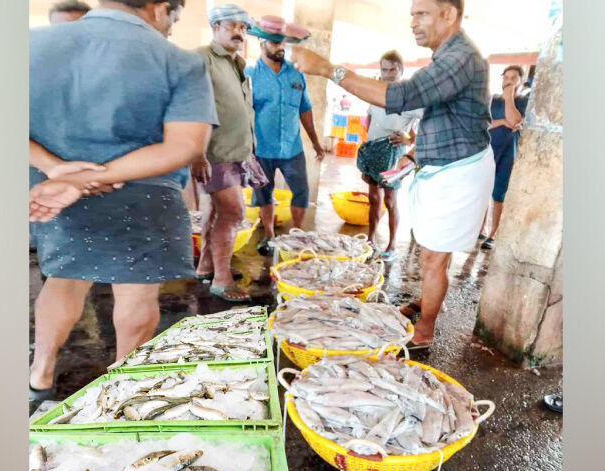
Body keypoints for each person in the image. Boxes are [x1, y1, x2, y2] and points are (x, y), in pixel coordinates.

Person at [28, 0, 217, 402]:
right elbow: (183, 146)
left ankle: (39, 378)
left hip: (51, 193)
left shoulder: (30, 45)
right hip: (143, 193)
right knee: (136, 292)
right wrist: (91, 178)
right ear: (161, 7)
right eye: (174, 18)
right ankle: (122, 394)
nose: (169, 28)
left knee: (65, 278)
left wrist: (58, 170)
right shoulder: (178, 61)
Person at [291, 0, 494, 347]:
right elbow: (450, 121)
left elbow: (401, 96)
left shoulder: (459, 57)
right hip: (441, 166)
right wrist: (413, 157)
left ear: (449, 14)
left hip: (458, 173)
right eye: (412, 14)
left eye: (422, 14)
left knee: (433, 255)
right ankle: (424, 303)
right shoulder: (446, 57)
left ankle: (425, 330)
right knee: (433, 250)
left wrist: (328, 69)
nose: (413, 22)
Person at [191, 4, 256, 302]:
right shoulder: (202, 58)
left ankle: (206, 266)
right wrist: (197, 153)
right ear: (215, 27)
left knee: (217, 211)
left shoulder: (237, 63)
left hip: (234, 153)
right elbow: (192, 106)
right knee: (233, 213)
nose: (239, 32)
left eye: (243, 28)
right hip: (214, 153)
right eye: (232, 25)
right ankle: (221, 278)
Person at [245, 33, 325, 255]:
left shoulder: (296, 72)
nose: (280, 47)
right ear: (262, 44)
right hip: (261, 148)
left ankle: (297, 236)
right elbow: (243, 111)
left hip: (292, 147)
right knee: (264, 193)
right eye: (275, 42)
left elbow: (304, 108)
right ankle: (269, 236)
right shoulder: (250, 74)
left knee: (301, 191)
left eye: (282, 42)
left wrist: (316, 141)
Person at [357, 50, 423, 262]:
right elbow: (369, 115)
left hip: (393, 153)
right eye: (384, 69)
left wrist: (409, 139)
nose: (387, 74)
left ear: (401, 70)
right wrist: (367, 143)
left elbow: (424, 128)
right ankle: (370, 239)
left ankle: (392, 244)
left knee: (390, 200)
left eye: (392, 70)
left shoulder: (410, 99)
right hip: (373, 150)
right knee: (373, 198)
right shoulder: (377, 92)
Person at [479, 65, 528, 250]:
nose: (508, 81)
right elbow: (484, 123)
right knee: (483, 190)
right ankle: (481, 228)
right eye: (506, 77)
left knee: (498, 194)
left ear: (520, 82)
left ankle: (493, 233)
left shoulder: (523, 101)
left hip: (507, 151)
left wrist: (509, 97)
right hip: (489, 148)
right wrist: (502, 122)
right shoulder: (492, 99)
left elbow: (515, 120)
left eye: (513, 78)